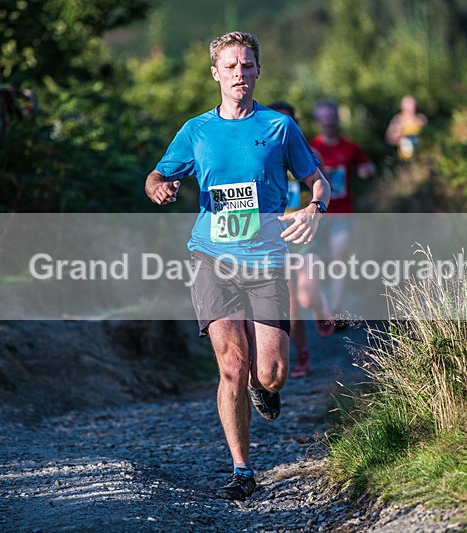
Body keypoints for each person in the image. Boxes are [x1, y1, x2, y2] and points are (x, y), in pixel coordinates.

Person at [145, 32, 331, 501]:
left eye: (247, 65)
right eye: (231, 66)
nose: (239, 74)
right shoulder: (196, 130)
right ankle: (242, 468)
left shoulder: (279, 126)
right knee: (232, 365)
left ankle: (261, 388)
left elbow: (317, 181)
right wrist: (157, 187)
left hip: (267, 259)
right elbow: (158, 174)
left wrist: (313, 209)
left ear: (258, 71)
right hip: (211, 257)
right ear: (215, 72)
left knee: (270, 374)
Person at [268, 101, 335, 379]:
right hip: (278, 235)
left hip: (305, 232)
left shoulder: (308, 152)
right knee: (291, 305)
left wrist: (313, 211)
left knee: (306, 297)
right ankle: (303, 357)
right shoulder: (263, 153)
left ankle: (320, 307)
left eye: (288, 123)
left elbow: (323, 184)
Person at [309, 99, 375, 322]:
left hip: (342, 213)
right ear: (317, 121)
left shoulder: (350, 147)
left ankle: (335, 312)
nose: (328, 121)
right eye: (323, 117)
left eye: (331, 116)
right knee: (317, 262)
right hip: (316, 214)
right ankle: (318, 306)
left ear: (338, 118)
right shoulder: (310, 148)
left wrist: (367, 170)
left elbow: (367, 165)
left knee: (339, 258)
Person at [385, 95, 428, 161]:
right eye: (408, 106)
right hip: (405, 158)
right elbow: (390, 138)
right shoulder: (398, 120)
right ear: (403, 107)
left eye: (412, 106)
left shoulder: (420, 119)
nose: (410, 109)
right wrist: (401, 139)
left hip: (422, 156)